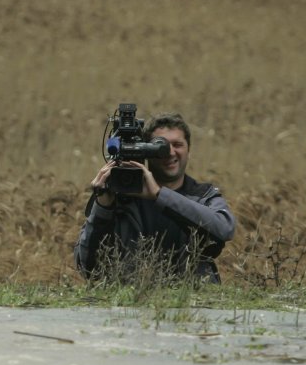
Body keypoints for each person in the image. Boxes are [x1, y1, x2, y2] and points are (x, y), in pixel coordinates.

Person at [74, 112, 235, 283]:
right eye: (161, 145)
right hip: (132, 300)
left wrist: (160, 195)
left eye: (178, 145)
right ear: (146, 150)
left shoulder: (202, 195)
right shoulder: (120, 196)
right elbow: (87, 267)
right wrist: (103, 206)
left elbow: (225, 228)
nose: (170, 152)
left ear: (189, 150)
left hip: (192, 300)